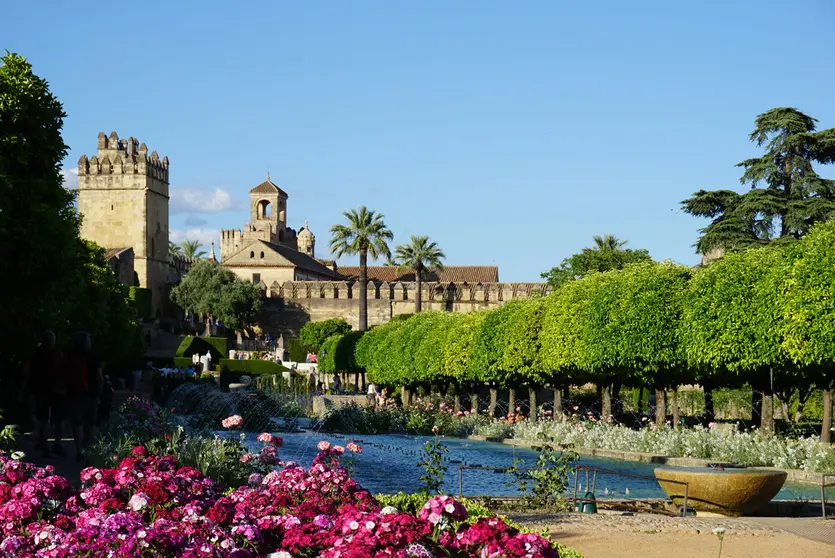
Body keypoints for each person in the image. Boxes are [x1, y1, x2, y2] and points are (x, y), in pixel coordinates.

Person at [22, 331, 66, 458]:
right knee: (58, 419)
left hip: (40, 390)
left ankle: (44, 444)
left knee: (43, 419)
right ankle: (56, 444)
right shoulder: (56, 354)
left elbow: (28, 371)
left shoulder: (36, 354)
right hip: (56, 391)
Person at [65, 331, 103, 462]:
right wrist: (99, 392)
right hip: (91, 394)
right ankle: (88, 449)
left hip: (74, 393)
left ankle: (78, 450)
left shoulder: (70, 356)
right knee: (90, 423)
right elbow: (99, 377)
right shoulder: (92, 356)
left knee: (77, 423)